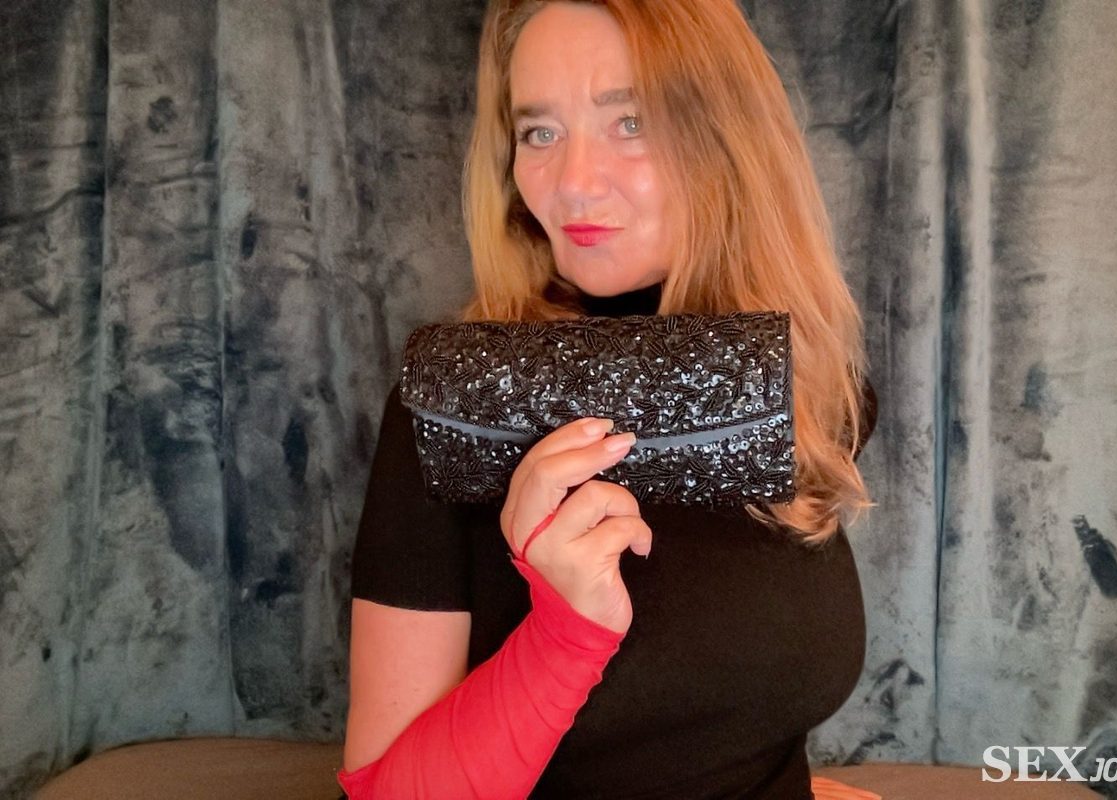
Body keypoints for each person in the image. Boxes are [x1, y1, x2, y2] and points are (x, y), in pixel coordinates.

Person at [340, 1, 881, 798]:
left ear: (727, 140)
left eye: (630, 122)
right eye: (539, 133)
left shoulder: (803, 385)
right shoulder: (456, 407)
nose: (572, 184)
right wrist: (564, 638)